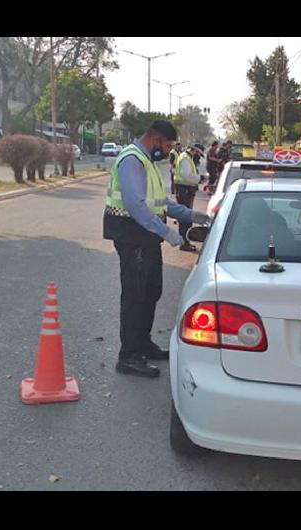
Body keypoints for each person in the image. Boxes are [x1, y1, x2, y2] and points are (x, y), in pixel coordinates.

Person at [103, 120, 209, 378]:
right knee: (135, 296)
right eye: (169, 145)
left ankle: (143, 344)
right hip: (132, 236)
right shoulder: (132, 159)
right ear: (157, 140)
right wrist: (169, 234)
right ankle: (128, 356)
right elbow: (137, 205)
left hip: (146, 238)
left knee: (151, 291)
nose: (169, 150)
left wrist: (195, 215)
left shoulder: (147, 160)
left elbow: (161, 204)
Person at [173, 144, 204, 252]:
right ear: (194, 150)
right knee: (185, 218)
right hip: (184, 190)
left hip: (186, 190)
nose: (198, 156)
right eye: (197, 153)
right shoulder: (185, 158)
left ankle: (186, 242)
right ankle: (184, 243)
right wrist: (199, 178)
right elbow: (186, 175)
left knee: (186, 218)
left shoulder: (187, 158)